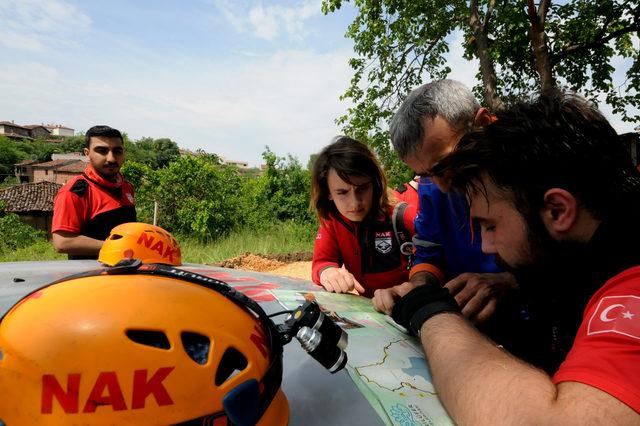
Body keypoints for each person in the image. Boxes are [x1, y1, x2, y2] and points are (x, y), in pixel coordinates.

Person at [391, 92, 640, 422]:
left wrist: (431, 312)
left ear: (557, 209)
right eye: (427, 175)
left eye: (489, 226)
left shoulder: (628, 286)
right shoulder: (580, 253)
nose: (485, 247)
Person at [373, 79, 517, 328]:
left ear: (482, 124)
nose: (442, 186)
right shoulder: (432, 185)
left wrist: (511, 282)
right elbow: (429, 249)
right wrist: (418, 288)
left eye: (446, 165)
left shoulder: (539, 161)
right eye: (426, 175)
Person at [311, 136, 417, 298]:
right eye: (343, 192)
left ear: (375, 183)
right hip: (371, 314)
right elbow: (322, 261)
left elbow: (438, 259)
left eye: (362, 189)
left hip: (412, 309)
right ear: (328, 193)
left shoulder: (403, 216)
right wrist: (327, 272)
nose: (355, 203)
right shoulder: (332, 221)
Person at [52, 125, 136, 259]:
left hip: (126, 272)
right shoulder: (74, 192)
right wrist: (118, 248)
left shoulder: (127, 187)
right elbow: (63, 242)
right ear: (87, 153)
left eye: (117, 151)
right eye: (102, 151)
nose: (111, 158)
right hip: (91, 276)